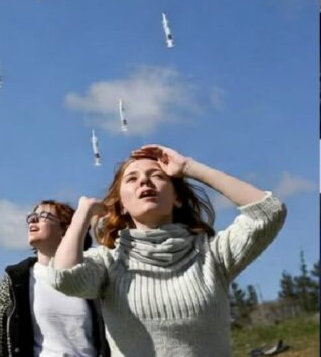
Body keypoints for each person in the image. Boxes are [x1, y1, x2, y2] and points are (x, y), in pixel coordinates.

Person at [50, 144, 286, 356]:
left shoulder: (212, 254)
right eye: (132, 179)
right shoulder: (108, 262)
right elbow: (65, 278)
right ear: (121, 206)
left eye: (157, 176)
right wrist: (82, 215)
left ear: (177, 198)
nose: (144, 181)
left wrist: (188, 167)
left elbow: (268, 212)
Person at [0, 200, 109, 357]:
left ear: (65, 229)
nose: (33, 220)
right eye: (31, 216)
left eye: (44, 215)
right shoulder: (15, 278)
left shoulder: (91, 273)